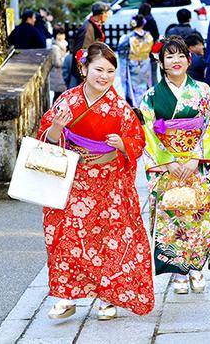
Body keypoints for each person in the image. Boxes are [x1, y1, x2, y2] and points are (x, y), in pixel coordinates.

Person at [39, 42, 155, 321]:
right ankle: (65, 296)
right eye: (98, 70)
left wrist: (122, 145)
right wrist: (56, 129)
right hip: (73, 182)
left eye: (111, 71)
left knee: (109, 239)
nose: (104, 76)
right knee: (66, 238)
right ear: (83, 69)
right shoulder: (67, 101)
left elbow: (138, 141)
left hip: (109, 183)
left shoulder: (119, 107)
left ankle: (107, 296)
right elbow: (45, 140)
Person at [140, 36, 210, 295]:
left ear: (189, 59)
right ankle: (177, 271)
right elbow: (147, 132)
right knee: (172, 216)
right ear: (161, 62)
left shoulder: (203, 91)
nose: (176, 60)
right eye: (169, 56)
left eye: (181, 55)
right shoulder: (150, 97)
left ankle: (197, 268)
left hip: (197, 163)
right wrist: (168, 162)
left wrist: (195, 158)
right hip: (168, 164)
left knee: (199, 213)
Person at [69, 1, 111, 88]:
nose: (107, 16)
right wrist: (85, 74)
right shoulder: (88, 29)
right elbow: (81, 53)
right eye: (106, 13)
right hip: (84, 73)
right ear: (101, 15)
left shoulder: (95, 25)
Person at [117, 14, 154, 106]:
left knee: (133, 87)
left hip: (133, 64)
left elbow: (121, 51)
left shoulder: (128, 37)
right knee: (144, 85)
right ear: (143, 24)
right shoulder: (148, 36)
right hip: (145, 63)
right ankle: (144, 104)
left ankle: (135, 105)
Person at [138, 3, 160, 85]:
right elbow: (156, 35)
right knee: (154, 73)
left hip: (139, 51)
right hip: (151, 50)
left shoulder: (137, 20)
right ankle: (155, 91)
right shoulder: (151, 20)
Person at [50, 25, 68, 103]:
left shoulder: (63, 44)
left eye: (63, 34)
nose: (62, 36)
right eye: (59, 34)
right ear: (56, 35)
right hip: (57, 75)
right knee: (58, 96)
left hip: (61, 74)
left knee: (61, 96)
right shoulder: (55, 47)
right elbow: (57, 63)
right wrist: (66, 58)